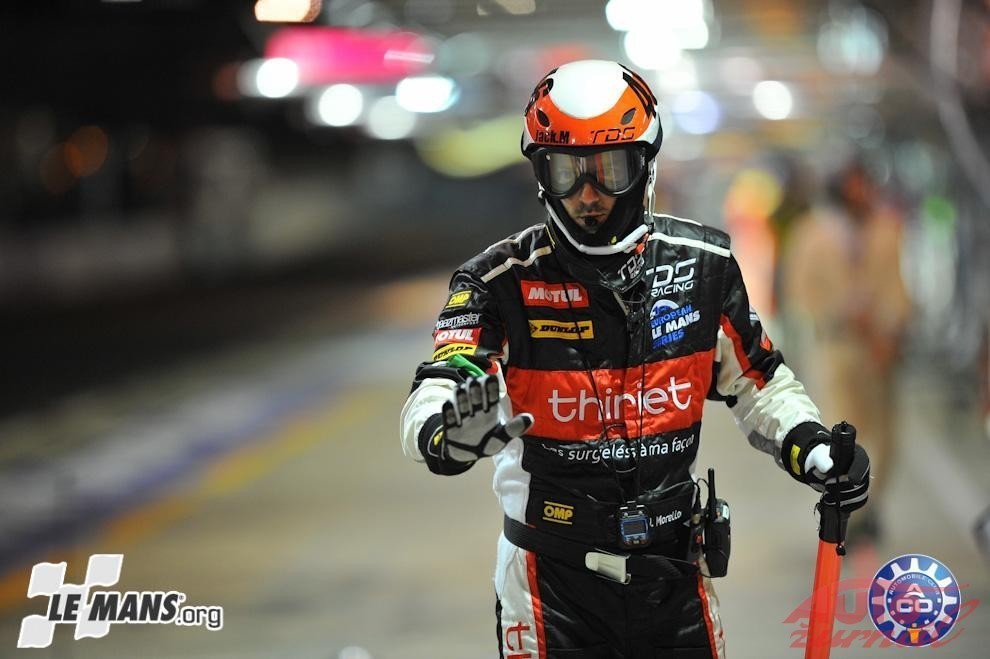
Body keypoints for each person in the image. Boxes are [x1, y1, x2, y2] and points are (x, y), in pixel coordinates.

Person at [399, 60, 870, 658]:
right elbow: (444, 379)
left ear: (646, 163)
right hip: (548, 587)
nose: (587, 195)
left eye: (609, 169)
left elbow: (759, 382)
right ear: (541, 174)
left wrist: (810, 443)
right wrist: (442, 434)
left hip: (674, 575)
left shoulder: (705, 267)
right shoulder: (495, 283)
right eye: (565, 171)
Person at [781, 159, 910, 543]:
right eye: (855, 185)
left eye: (865, 185)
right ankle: (848, 511)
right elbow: (799, 289)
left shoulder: (886, 230)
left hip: (879, 347)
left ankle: (871, 506)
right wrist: (841, 312)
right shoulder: (812, 232)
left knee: (886, 433)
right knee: (843, 430)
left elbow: (899, 285)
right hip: (837, 346)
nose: (862, 193)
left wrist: (891, 328)